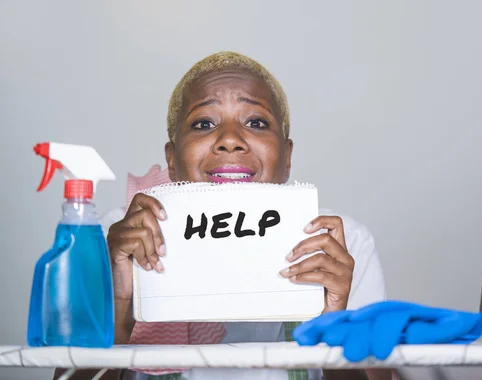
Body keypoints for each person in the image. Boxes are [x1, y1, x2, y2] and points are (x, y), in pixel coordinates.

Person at [54, 51, 391, 380]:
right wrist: (118, 304)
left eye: (256, 122)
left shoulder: (339, 245)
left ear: (286, 158)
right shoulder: (114, 242)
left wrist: (335, 331)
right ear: (172, 160)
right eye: (203, 123)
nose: (230, 140)